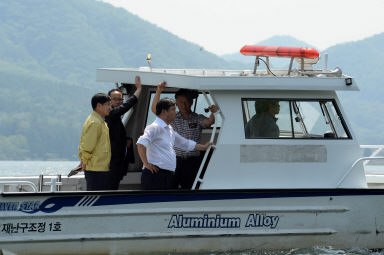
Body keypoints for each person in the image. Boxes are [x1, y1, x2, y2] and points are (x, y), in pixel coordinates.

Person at [151, 82, 218, 189]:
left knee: (190, 188)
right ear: (176, 104)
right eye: (180, 102)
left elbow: (209, 122)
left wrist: (214, 112)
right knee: (169, 187)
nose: (183, 105)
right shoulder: (172, 117)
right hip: (174, 159)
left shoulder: (197, 118)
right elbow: (155, 110)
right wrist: (158, 91)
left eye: (186, 102)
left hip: (192, 161)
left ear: (191, 102)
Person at [137, 98, 213, 190]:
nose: (176, 112)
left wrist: (203, 147)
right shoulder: (154, 127)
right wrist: (146, 164)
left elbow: (185, 143)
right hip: (155, 175)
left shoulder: (169, 129)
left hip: (166, 174)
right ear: (164, 112)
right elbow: (141, 144)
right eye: (173, 110)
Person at [105, 76, 142, 190]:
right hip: (112, 160)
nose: (118, 102)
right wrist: (139, 89)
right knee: (111, 186)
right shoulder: (111, 113)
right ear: (108, 101)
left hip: (117, 159)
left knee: (114, 184)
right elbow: (126, 106)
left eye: (120, 99)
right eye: (115, 99)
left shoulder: (114, 114)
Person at [78, 93, 112, 191]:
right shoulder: (95, 123)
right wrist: (84, 161)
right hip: (96, 170)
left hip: (100, 168)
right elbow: (87, 146)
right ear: (99, 106)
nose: (110, 107)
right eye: (108, 105)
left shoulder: (100, 121)